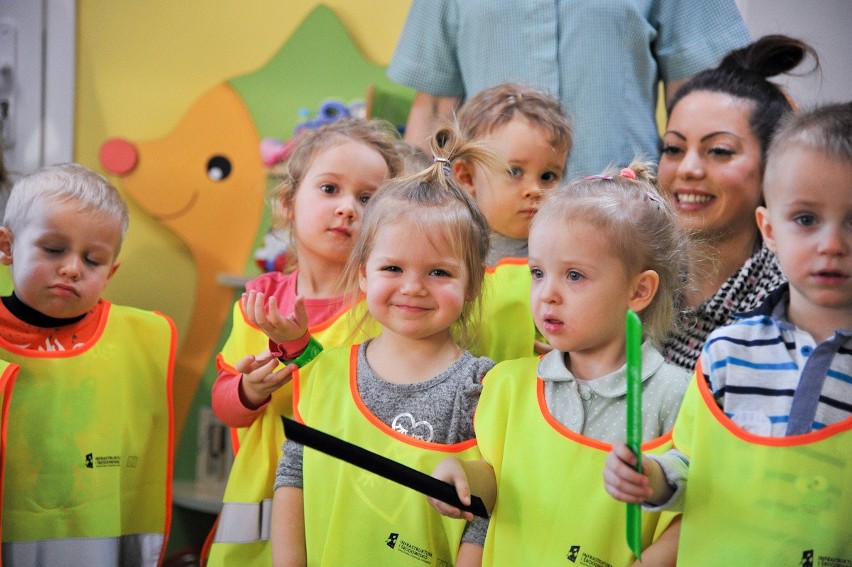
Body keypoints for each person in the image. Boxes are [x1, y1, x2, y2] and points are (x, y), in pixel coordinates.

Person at [604, 101, 852, 564]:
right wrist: (653, 477)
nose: (831, 244)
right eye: (806, 219)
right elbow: (693, 466)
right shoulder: (727, 351)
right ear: (770, 228)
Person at [429, 163, 690, 566]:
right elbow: (496, 483)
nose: (547, 294)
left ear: (639, 290)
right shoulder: (506, 385)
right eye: (538, 272)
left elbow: (697, 510)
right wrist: (462, 477)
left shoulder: (679, 396)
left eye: (574, 275)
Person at [269, 124, 500, 566]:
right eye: (392, 267)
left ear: (472, 283)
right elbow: (293, 476)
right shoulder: (326, 371)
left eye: (439, 273)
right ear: (362, 273)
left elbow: (486, 512)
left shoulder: (482, 386)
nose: (412, 288)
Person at [206, 119, 402, 565]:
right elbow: (226, 406)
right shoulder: (259, 300)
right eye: (330, 188)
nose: (348, 208)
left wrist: (300, 348)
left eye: (368, 198)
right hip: (259, 526)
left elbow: (343, 401)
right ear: (289, 203)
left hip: (347, 506)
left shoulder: (386, 305)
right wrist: (247, 391)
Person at [0, 163, 176, 565]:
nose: (72, 268)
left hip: (97, 548)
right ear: (7, 247)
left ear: (111, 271)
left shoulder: (140, 338)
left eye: (93, 260)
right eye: (53, 249)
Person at [387, 0, 751, 179]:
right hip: (490, 235)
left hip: (625, 222)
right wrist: (413, 210)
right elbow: (435, 108)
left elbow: (700, 98)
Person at [660, 34, 820, 370]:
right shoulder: (635, 279)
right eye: (673, 149)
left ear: (771, 167)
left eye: (719, 151)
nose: (688, 169)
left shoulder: (797, 306)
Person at [454, 82, 572, 361]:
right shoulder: (447, 255)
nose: (535, 190)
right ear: (467, 177)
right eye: (515, 171)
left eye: (548, 176)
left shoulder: (571, 257)